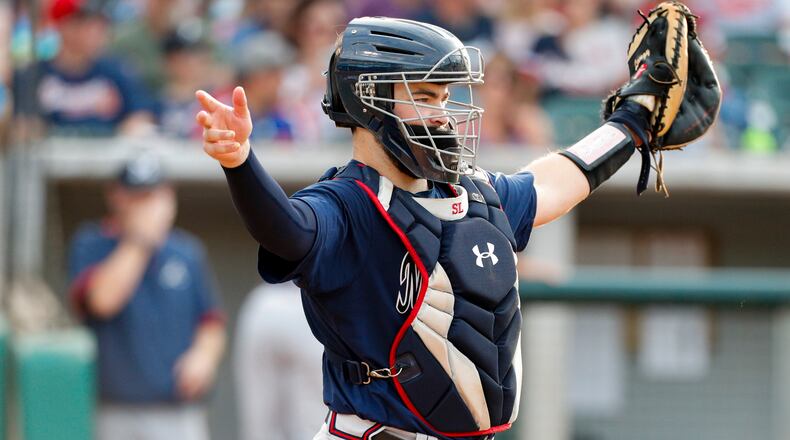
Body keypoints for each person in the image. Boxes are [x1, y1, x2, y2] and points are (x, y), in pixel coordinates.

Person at [195, 16, 679, 440]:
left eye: (445, 96)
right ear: (370, 101)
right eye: (425, 96)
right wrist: (240, 162)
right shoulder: (347, 203)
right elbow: (287, 232)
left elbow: (555, 182)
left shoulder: (470, 193)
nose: (444, 114)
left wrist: (632, 121)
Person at [67, 153, 226, 440]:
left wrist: (203, 357)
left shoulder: (186, 251)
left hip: (178, 410)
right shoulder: (91, 242)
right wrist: (141, 239)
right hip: (113, 410)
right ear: (116, 197)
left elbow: (211, 321)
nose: (146, 207)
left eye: (153, 196)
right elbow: (102, 301)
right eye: (137, 197)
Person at [13, 0, 156, 137]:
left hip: (106, 156)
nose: (97, 31)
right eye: (87, 23)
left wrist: (131, 126)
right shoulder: (34, 74)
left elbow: (142, 113)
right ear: (64, 25)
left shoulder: (116, 70)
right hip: (52, 156)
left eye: (100, 24)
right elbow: (21, 125)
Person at [234, 282, 325, 440]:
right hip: (316, 302)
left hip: (264, 303)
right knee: (314, 416)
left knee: (260, 421)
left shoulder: (261, 301)